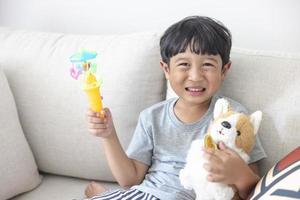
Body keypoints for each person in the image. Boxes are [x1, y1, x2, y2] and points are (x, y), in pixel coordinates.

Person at [85, 16, 266, 200]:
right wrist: (108, 136)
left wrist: (240, 175)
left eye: (207, 65)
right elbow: (130, 180)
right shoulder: (151, 117)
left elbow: (253, 191)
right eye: (184, 65)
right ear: (166, 69)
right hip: (145, 194)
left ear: (224, 71)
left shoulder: (234, 118)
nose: (195, 76)